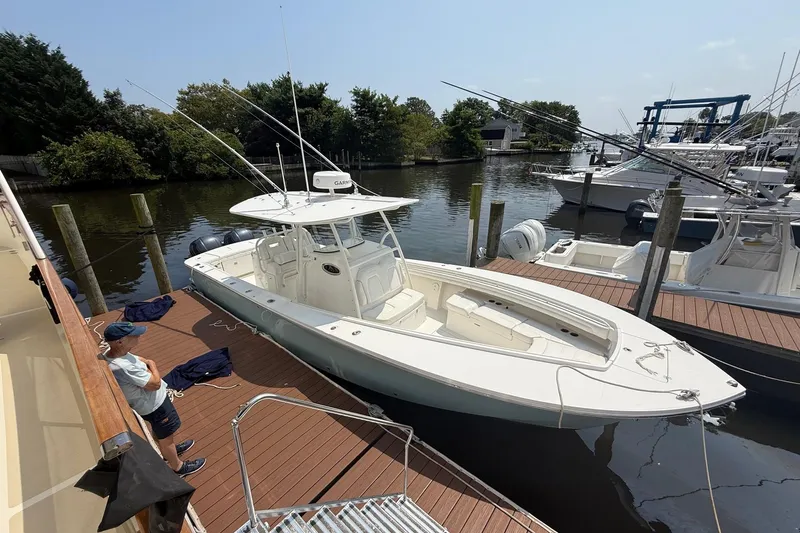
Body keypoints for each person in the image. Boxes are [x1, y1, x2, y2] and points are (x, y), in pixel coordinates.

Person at [103, 322, 206, 477]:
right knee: (165, 436)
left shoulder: (112, 353)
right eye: (134, 335)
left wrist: (149, 367)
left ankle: (169, 450)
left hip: (150, 405)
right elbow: (155, 384)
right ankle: (178, 467)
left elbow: (141, 360)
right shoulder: (123, 367)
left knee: (162, 433)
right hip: (155, 406)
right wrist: (153, 365)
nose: (138, 336)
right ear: (120, 341)